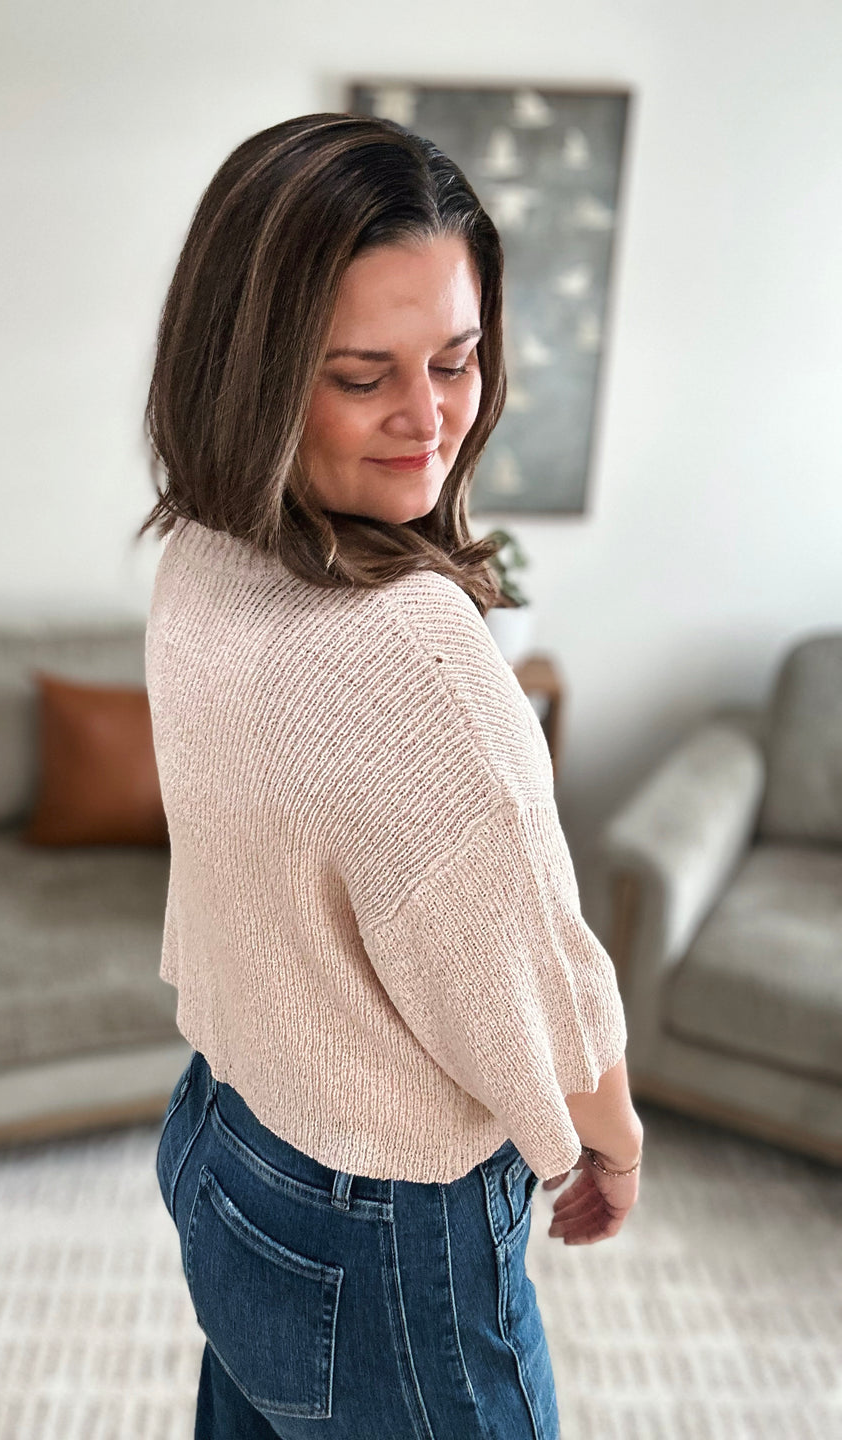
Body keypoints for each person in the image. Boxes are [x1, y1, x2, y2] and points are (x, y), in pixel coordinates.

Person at [139, 112, 644, 1440]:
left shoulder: (201, 555)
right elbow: (519, 966)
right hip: (379, 1237)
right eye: (363, 376)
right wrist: (608, 1129)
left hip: (225, 1151)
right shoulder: (409, 647)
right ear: (251, 372)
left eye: (458, 359)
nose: (429, 420)